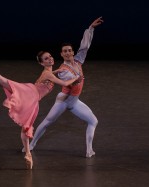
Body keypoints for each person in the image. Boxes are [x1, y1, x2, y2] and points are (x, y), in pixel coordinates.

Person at [0, 53, 79, 169]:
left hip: (34, 99)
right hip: (30, 93)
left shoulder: (48, 73)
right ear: (41, 63)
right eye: (46, 59)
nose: (50, 59)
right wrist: (77, 78)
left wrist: (58, 71)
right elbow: (65, 83)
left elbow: (51, 75)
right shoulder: (47, 74)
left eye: (50, 56)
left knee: (26, 126)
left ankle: (28, 154)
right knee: (3, 80)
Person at [23, 16, 104, 158]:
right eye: (64, 51)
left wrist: (90, 28)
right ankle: (32, 143)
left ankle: (89, 150)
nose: (67, 53)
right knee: (47, 122)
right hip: (64, 100)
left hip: (74, 101)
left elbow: (84, 46)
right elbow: (68, 81)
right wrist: (76, 79)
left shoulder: (78, 61)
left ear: (72, 52)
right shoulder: (63, 69)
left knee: (93, 121)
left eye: (69, 50)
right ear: (61, 54)